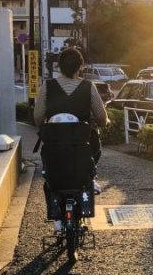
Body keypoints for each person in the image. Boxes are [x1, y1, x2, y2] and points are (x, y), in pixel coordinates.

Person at [34, 47, 109, 195]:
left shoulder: (47, 87)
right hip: (83, 142)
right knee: (95, 145)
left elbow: (38, 116)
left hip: (55, 142)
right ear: (81, 66)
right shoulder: (89, 87)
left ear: (59, 66)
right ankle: (91, 177)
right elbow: (101, 116)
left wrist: (43, 127)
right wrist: (105, 122)